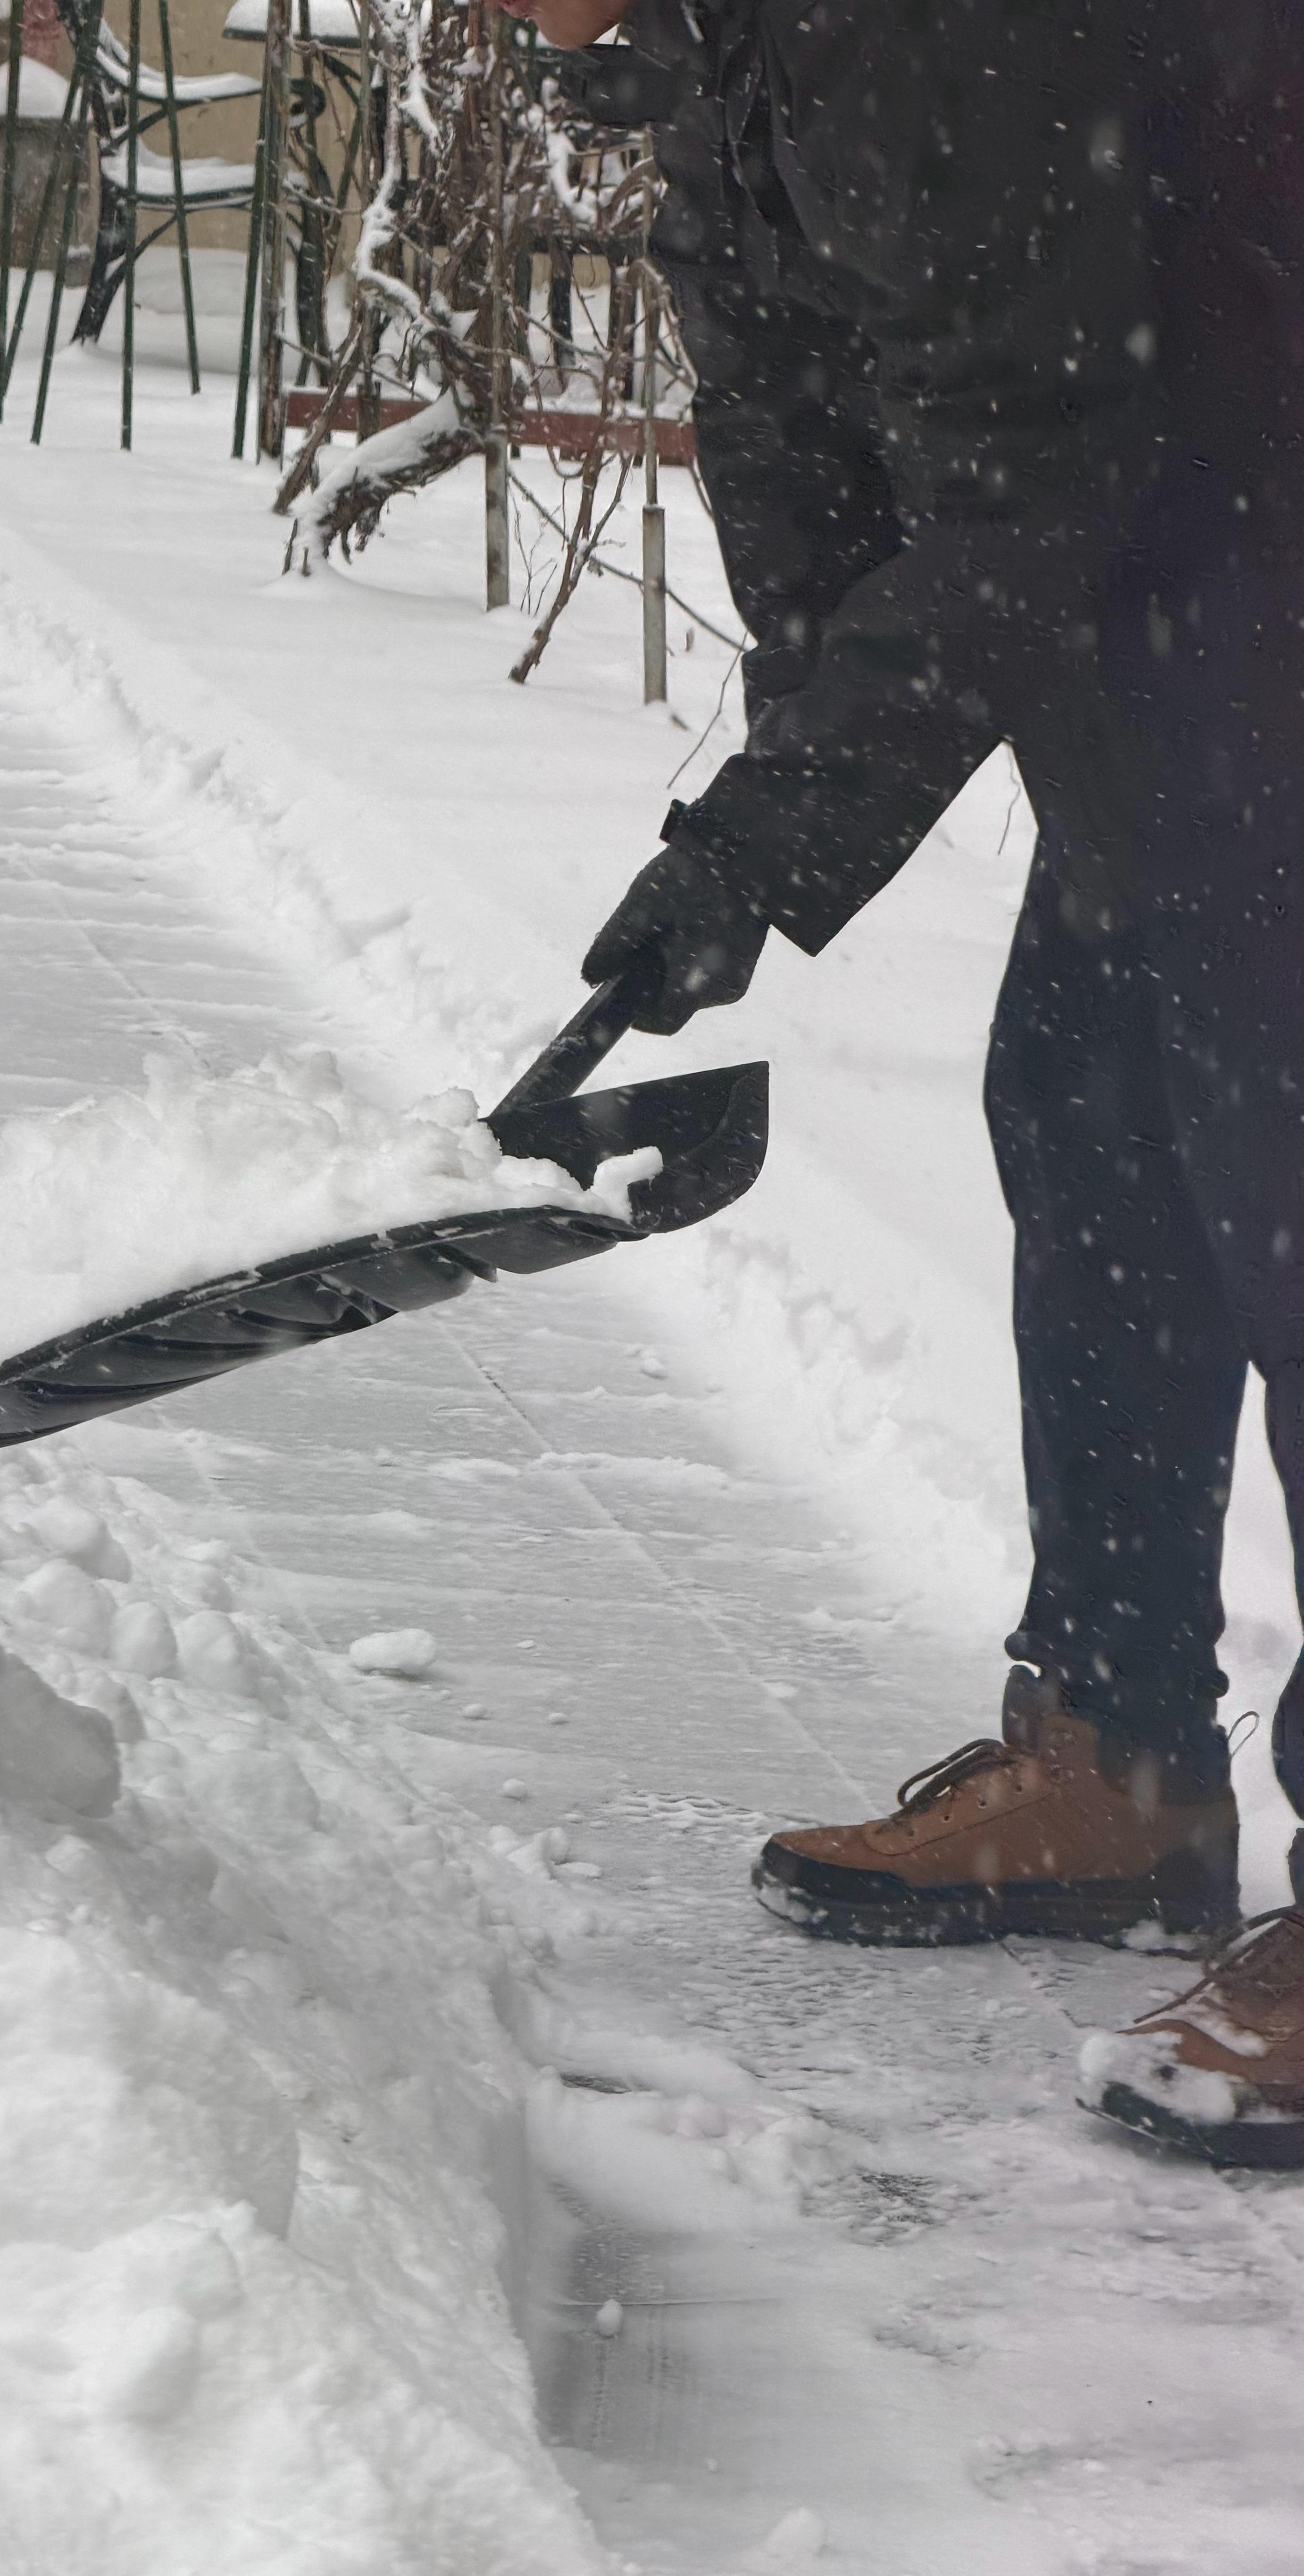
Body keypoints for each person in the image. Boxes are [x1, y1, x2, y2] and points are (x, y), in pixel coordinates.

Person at [494, 0, 1304, 2164]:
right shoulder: (734, 56)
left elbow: (1041, 447)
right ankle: (1121, 1764)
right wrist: (769, 812)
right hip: (1183, 606)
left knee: (1285, 1183)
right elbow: (813, 446)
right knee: (1103, 1129)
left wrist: (781, 830)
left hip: (1253, 554)